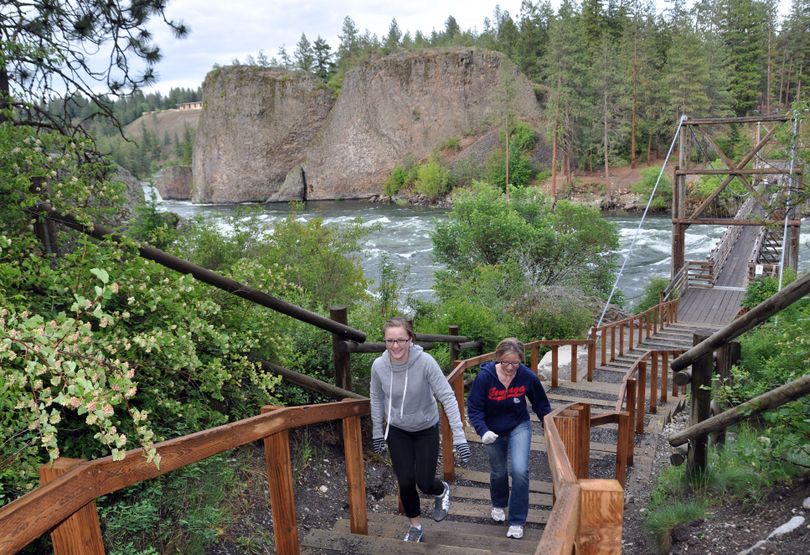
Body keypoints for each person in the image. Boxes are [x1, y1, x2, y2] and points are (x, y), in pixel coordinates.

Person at [370, 317, 471, 543]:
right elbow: (376, 399)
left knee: (424, 483)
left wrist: (460, 437)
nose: (395, 346)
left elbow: (447, 396)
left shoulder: (425, 362)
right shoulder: (379, 366)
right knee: (405, 481)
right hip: (397, 429)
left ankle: (441, 490)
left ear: (411, 339)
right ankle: (415, 526)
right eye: (390, 341)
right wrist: (378, 431)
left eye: (401, 340)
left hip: (426, 428)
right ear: (385, 341)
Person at [467, 337, 551, 540]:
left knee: (520, 470)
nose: (510, 367)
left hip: (518, 426)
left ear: (521, 360)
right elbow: (474, 408)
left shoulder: (527, 376)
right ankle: (498, 503)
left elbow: (541, 405)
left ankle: (517, 521)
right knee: (498, 471)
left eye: (515, 363)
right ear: (498, 359)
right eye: (506, 362)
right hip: (492, 429)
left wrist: (549, 426)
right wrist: (483, 430)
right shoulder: (485, 377)